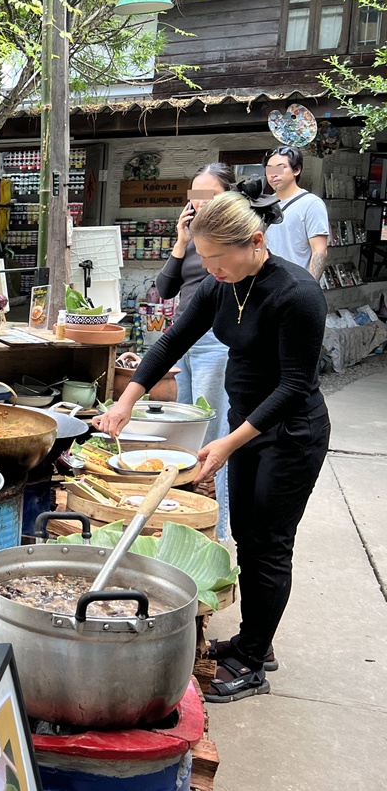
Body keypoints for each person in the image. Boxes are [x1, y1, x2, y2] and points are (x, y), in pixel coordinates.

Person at [94, 180, 330, 704]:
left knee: (269, 545)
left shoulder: (297, 294)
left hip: (291, 434)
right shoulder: (222, 285)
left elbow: (294, 387)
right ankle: (255, 640)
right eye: (205, 258)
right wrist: (125, 401)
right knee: (245, 533)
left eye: (219, 259)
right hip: (248, 429)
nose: (213, 269)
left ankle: (252, 662)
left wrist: (227, 443)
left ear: (254, 242)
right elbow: (172, 338)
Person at [155, 162, 236, 540]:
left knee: (213, 439)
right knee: (185, 436)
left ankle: (215, 532)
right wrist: (181, 240)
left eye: (210, 196)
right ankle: (187, 523)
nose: (201, 204)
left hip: (215, 343)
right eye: (196, 197)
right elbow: (165, 289)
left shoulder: (232, 241)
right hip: (184, 341)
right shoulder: (192, 240)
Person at [263, 145, 329, 281]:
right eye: (269, 169)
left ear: (296, 170)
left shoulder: (311, 204)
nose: (273, 174)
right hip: (266, 283)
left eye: (280, 168)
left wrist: (310, 287)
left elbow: (319, 250)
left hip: (294, 284)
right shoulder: (265, 204)